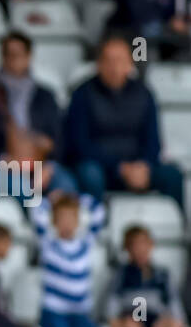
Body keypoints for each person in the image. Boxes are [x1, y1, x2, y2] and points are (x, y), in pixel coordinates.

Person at [64, 35, 184, 206]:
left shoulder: (144, 94)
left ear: (130, 64)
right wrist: (120, 167)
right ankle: (96, 226)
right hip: (102, 167)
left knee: (173, 174)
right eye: (109, 60)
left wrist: (144, 165)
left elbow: (153, 141)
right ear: (98, 64)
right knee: (89, 174)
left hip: (138, 168)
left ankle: (178, 226)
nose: (114, 67)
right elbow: (79, 145)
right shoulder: (82, 94)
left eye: (120, 60)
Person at [0, 31, 74, 201]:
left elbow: (59, 141)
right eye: (8, 54)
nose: (13, 59)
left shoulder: (46, 96)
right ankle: (36, 223)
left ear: (29, 56)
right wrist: (4, 161)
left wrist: (48, 167)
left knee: (66, 191)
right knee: (22, 189)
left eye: (18, 54)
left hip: (40, 165)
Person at [31, 191, 106, 327]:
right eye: (62, 218)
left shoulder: (86, 243)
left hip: (80, 312)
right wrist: (52, 199)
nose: (67, 223)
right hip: (54, 312)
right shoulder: (48, 243)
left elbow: (99, 212)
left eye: (71, 218)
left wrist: (77, 198)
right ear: (54, 221)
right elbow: (35, 209)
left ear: (78, 221)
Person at [107, 225, 187, 327]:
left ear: (151, 245)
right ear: (127, 249)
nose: (140, 249)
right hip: (130, 321)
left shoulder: (163, 274)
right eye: (135, 245)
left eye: (144, 244)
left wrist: (174, 322)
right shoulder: (121, 274)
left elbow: (174, 304)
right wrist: (118, 321)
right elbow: (112, 307)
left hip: (157, 321)